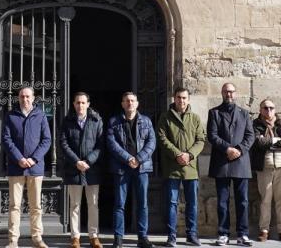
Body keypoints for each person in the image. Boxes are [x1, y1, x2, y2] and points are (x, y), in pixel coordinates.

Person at [2, 86, 52, 248]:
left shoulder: (40, 115)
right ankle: (13, 240)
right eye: (22, 97)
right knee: (14, 205)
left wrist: (34, 159)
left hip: (35, 167)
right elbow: (6, 140)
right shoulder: (10, 116)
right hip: (16, 167)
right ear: (19, 98)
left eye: (28, 96)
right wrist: (19, 158)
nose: (25, 99)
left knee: (36, 206)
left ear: (33, 98)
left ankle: (37, 238)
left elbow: (46, 140)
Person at [106, 91, 157, 248]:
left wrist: (139, 159)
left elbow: (152, 142)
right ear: (122, 104)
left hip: (141, 168)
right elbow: (111, 144)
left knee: (142, 203)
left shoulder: (146, 121)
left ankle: (142, 237)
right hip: (122, 167)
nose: (130, 103)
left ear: (137, 103)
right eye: (127, 101)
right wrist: (128, 158)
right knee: (120, 204)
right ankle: (118, 238)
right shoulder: (114, 122)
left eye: (132, 101)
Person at [207, 82, 255, 247]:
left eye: (232, 92)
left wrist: (239, 150)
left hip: (241, 162)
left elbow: (250, 136)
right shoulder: (214, 113)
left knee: (243, 201)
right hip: (222, 162)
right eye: (226, 92)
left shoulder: (244, 113)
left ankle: (243, 234)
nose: (229, 94)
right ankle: (223, 234)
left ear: (236, 94)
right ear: (222, 93)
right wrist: (227, 149)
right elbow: (212, 136)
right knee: (222, 200)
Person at [157, 87, 206, 247]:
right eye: (179, 97)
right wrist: (177, 154)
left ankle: (192, 235)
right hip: (172, 167)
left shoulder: (196, 118)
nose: (181, 100)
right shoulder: (165, 117)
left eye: (184, 98)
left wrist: (189, 155)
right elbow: (162, 138)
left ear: (188, 99)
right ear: (174, 98)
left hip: (191, 167)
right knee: (172, 203)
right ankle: (171, 236)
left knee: (192, 203)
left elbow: (200, 140)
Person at [60, 91, 106, 248]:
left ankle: (94, 236)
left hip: (92, 169)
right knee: (75, 205)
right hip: (74, 169)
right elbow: (63, 144)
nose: (80, 105)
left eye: (83, 102)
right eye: (77, 102)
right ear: (74, 104)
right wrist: (76, 162)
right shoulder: (67, 121)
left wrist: (89, 161)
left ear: (88, 104)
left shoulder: (96, 120)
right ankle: (75, 237)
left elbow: (101, 144)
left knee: (93, 203)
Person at [251, 98, 281, 242]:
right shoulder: (256, 124)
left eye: (271, 108)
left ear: (275, 109)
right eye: (265, 108)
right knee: (265, 200)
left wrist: (270, 141)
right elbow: (259, 142)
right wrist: (276, 141)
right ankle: (264, 230)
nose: (268, 110)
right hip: (265, 168)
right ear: (260, 110)